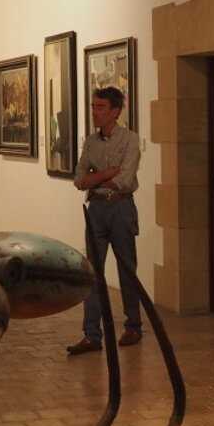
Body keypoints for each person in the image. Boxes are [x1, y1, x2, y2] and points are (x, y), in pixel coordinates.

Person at [67, 87, 142, 355]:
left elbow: (124, 179)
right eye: (93, 107)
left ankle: (133, 325)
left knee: (127, 270)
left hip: (121, 207)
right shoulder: (90, 142)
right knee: (93, 273)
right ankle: (91, 334)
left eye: (100, 108)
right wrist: (107, 173)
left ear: (115, 111)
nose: (95, 113)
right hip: (97, 209)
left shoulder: (130, 140)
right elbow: (78, 180)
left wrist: (96, 177)